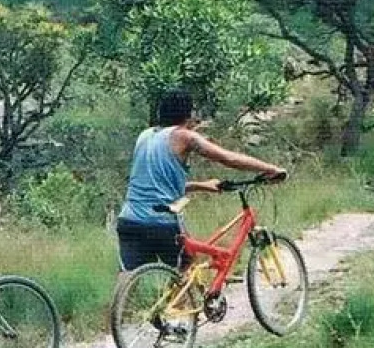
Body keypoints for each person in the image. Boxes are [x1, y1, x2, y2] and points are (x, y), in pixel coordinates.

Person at [116, 88, 286, 272]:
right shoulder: (184, 136)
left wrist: (202, 186)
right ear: (188, 115)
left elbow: (158, 186)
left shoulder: (145, 136)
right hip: (161, 222)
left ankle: (121, 300)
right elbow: (228, 158)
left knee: (128, 275)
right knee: (187, 270)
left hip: (129, 219)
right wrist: (270, 169)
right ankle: (186, 299)